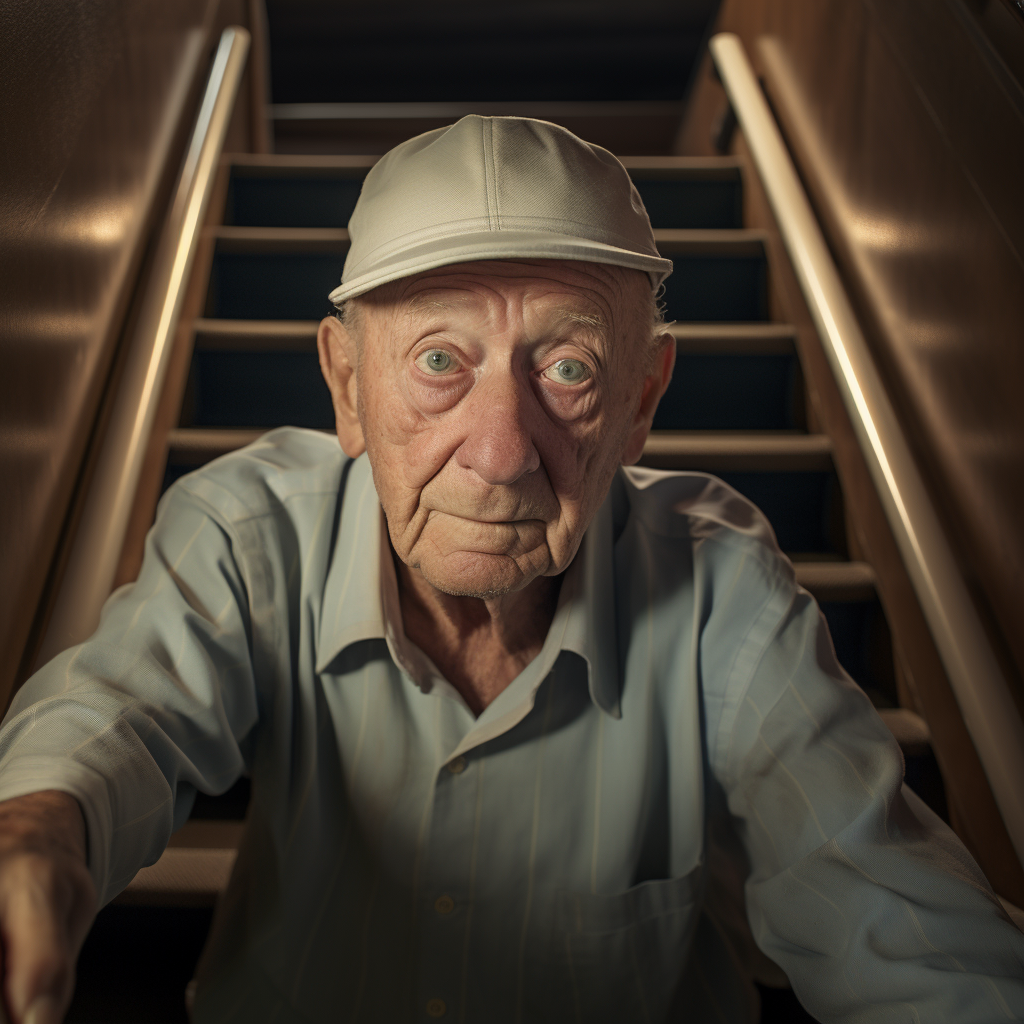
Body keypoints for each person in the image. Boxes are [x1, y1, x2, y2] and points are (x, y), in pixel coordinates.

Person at [0, 115, 1022, 1024]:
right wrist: (39, 830)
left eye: (567, 368)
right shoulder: (250, 529)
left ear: (640, 397)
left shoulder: (720, 583)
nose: (500, 451)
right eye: (438, 361)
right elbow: (122, 710)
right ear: (347, 385)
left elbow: (882, 903)